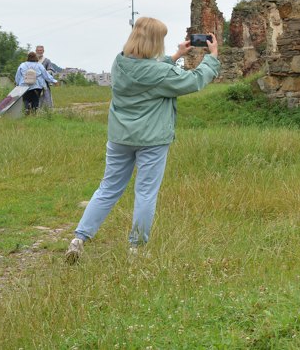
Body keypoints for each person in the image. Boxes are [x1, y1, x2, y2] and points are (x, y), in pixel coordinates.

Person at [64, 17, 220, 263]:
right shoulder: (160, 72)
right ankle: (135, 249)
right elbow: (193, 81)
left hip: (120, 137)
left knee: (108, 188)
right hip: (152, 139)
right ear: (156, 41)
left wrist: (176, 55)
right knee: (146, 192)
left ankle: (79, 239)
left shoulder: (119, 62)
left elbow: (147, 75)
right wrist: (212, 57)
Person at [35, 45, 56, 109]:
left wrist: (45, 73)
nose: (39, 52)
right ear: (36, 51)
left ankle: (47, 111)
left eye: (41, 50)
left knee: (46, 97)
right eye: (38, 50)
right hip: (34, 82)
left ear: (43, 51)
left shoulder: (47, 60)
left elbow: (51, 70)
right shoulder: (33, 60)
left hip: (44, 82)